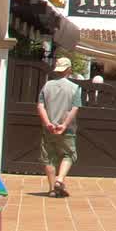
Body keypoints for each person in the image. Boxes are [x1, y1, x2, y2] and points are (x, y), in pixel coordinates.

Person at [37, 57, 84, 198]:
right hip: (67, 129)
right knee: (69, 155)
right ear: (69, 69)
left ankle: (52, 189)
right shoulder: (75, 88)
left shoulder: (47, 86)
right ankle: (60, 179)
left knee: (49, 158)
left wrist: (48, 123)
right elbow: (75, 108)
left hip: (49, 129)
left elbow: (40, 106)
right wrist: (64, 125)